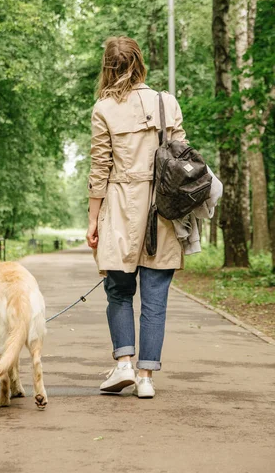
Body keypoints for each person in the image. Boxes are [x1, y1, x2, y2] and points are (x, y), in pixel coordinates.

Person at [86, 36, 187, 399]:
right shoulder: (166, 102)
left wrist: (93, 220)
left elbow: (100, 169)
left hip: (120, 207)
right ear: (139, 62)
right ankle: (146, 377)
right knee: (155, 297)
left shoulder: (103, 109)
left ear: (108, 68)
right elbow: (181, 157)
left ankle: (125, 362)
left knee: (118, 290)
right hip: (162, 208)